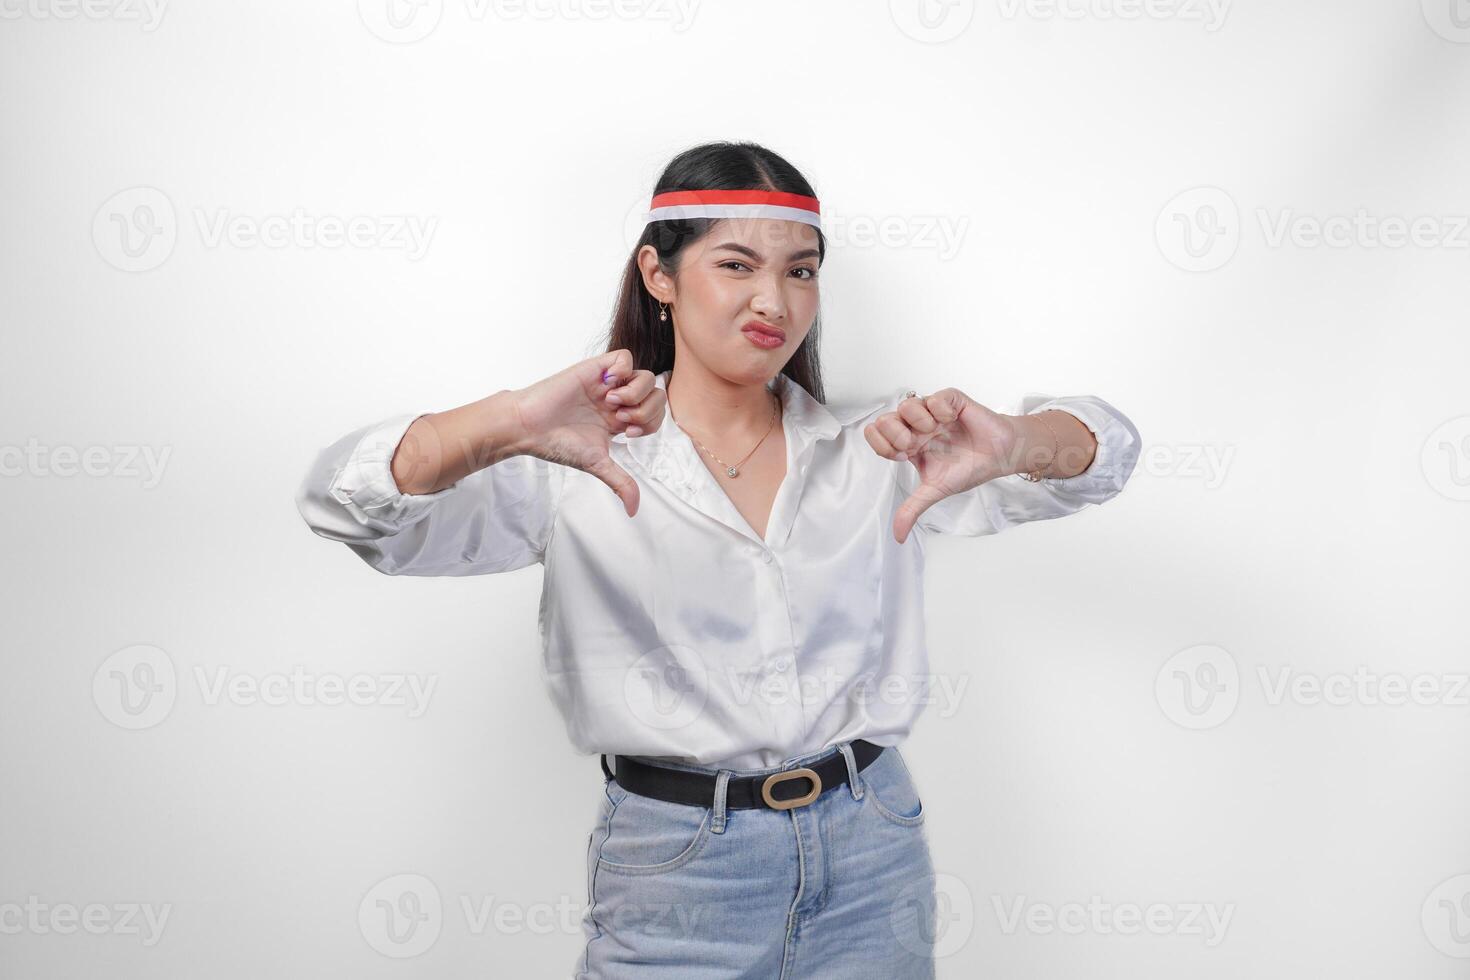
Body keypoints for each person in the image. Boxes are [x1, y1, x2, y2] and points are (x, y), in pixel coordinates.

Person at [295, 141, 1141, 978]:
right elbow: (346, 505)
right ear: (659, 276)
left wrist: (1018, 443)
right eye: (736, 264)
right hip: (680, 867)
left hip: (873, 846)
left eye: (801, 271)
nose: (773, 299)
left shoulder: (882, 445)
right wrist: (505, 422)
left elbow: (1106, 456)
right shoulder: (573, 458)